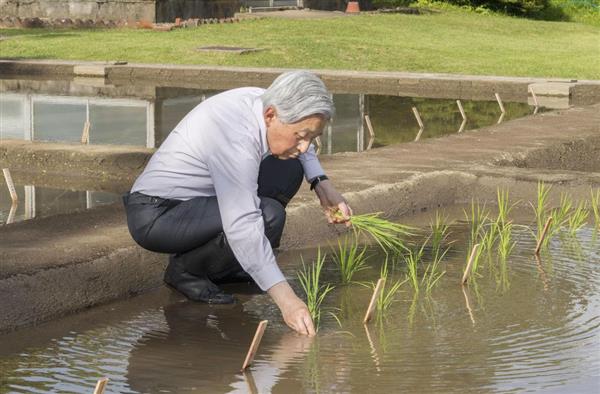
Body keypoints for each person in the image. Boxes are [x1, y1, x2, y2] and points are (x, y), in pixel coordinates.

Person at [123, 70, 352, 336]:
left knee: (289, 168)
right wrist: (287, 301)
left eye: (312, 137)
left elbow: (303, 139)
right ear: (271, 116)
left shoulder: (266, 101)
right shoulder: (234, 135)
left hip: (200, 203)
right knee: (267, 215)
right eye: (301, 136)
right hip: (158, 214)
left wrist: (322, 185)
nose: (305, 145)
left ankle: (231, 268)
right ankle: (185, 272)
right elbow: (243, 223)